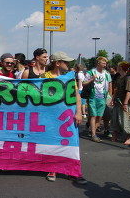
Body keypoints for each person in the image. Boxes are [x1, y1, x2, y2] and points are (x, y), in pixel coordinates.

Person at [41, 51, 86, 184]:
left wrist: (78, 112)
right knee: (52, 142)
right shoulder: (44, 76)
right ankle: (52, 168)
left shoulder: (69, 77)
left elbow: (77, 95)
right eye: (65, 62)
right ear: (57, 63)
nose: (68, 64)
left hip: (68, 117)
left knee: (71, 143)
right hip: (50, 117)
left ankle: (73, 171)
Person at [83, 57, 113, 143]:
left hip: (102, 98)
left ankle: (93, 131)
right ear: (98, 63)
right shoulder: (91, 72)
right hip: (93, 97)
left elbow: (110, 85)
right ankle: (93, 134)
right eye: (103, 63)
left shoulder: (107, 73)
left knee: (99, 116)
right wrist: (91, 79)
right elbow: (83, 83)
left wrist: (110, 97)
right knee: (93, 115)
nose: (105, 64)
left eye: (105, 63)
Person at [111, 61, 130, 145]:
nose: (117, 68)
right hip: (117, 102)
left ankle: (129, 137)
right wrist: (112, 99)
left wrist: (125, 104)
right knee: (115, 119)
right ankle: (115, 135)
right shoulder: (118, 77)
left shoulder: (128, 78)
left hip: (125, 103)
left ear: (121, 68)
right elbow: (116, 90)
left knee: (126, 120)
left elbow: (128, 92)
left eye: (118, 66)